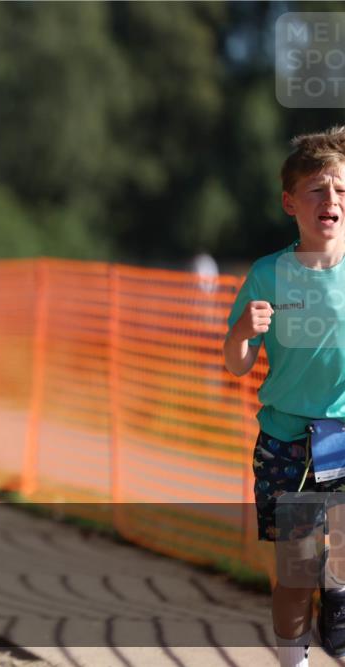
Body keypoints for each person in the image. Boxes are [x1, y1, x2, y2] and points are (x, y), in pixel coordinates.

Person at [223, 126, 345, 666]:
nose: (332, 201)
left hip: (344, 437)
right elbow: (237, 364)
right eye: (318, 190)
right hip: (288, 444)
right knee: (296, 573)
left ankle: (337, 594)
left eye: (340, 189)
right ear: (290, 202)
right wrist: (241, 334)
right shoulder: (268, 274)